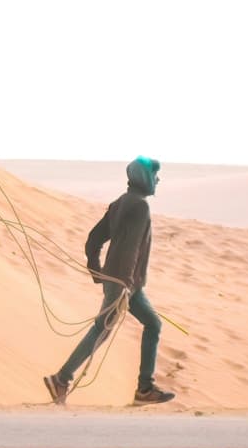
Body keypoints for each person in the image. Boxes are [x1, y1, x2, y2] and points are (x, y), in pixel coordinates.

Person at [43, 156, 175, 405]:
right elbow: (131, 249)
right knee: (101, 329)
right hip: (124, 282)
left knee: (152, 324)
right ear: (144, 178)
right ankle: (61, 378)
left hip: (125, 282)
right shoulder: (139, 206)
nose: (158, 180)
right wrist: (121, 283)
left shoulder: (120, 203)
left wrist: (97, 270)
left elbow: (94, 238)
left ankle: (144, 388)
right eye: (154, 175)